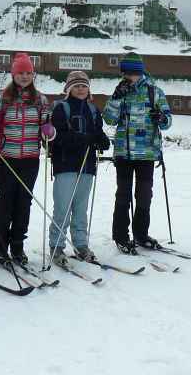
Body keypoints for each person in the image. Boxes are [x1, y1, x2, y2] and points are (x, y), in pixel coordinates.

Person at [0, 53, 53, 265]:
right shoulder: (2, 99)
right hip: (7, 158)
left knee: (24, 202)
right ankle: (0, 246)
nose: (24, 76)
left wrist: (47, 131)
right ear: (13, 75)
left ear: (33, 75)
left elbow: (45, 123)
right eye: (20, 73)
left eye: (28, 73)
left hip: (30, 158)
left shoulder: (40, 99)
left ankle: (17, 246)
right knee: (6, 201)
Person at [102, 52, 172, 255]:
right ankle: (121, 236)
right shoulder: (120, 92)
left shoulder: (154, 92)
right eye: (126, 73)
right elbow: (109, 119)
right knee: (123, 195)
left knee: (144, 196)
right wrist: (115, 98)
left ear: (140, 72)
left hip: (147, 154)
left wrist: (161, 118)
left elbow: (167, 122)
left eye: (133, 73)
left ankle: (141, 235)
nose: (129, 76)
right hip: (124, 153)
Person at [48, 71, 110, 265]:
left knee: (81, 208)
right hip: (66, 164)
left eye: (84, 86)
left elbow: (97, 132)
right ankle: (56, 246)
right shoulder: (61, 108)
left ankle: (81, 244)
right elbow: (57, 137)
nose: (81, 89)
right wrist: (83, 139)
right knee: (63, 207)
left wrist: (102, 141)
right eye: (76, 86)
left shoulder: (93, 110)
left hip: (87, 165)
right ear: (69, 89)